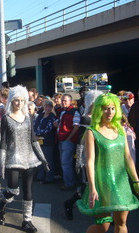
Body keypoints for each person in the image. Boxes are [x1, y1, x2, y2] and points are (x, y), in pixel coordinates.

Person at [77, 93, 139, 233]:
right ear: (99, 110)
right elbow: (90, 161)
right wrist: (92, 187)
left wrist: (136, 180)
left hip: (121, 182)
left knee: (121, 223)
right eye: (105, 108)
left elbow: (128, 157)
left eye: (112, 108)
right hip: (102, 183)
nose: (109, 112)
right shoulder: (92, 132)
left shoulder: (120, 129)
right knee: (103, 225)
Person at [0, 85, 49, 233]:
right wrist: (1, 163)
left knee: (28, 191)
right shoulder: (6, 119)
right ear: (11, 101)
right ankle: (1, 207)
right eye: (16, 100)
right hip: (13, 158)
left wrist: (42, 158)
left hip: (28, 158)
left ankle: (27, 220)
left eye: (21, 100)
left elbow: (33, 140)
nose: (19, 103)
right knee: (12, 190)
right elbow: (3, 142)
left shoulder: (28, 118)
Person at [63, 90, 102, 220]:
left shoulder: (101, 117)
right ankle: (69, 202)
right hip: (87, 156)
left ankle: (106, 214)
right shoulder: (86, 118)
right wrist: (80, 160)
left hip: (100, 155)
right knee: (86, 186)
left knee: (101, 185)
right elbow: (81, 141)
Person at [54, 94, 80, 191]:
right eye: (62, 101)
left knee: (65, 163)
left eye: (65, 101)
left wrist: (69, 138)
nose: (63, 102)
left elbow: (76, 126)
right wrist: (56, 123)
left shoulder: (74, 112)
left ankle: (69, 183)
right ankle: (71, 181)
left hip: (67, 140)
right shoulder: (62, 112)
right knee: (65, 162)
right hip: (61, 139)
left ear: (70, 101)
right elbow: (60, 122)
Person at [34, 99, 56, 184]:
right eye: (46, 106)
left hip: (48, 141)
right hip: (39, 141)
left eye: (50, 107)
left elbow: (48, 129)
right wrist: (35, 133)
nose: (47, 108)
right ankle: (40, 176)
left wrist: (38, 133)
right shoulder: (40, 115)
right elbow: (35, 125)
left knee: (48, 159)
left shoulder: (52, 117)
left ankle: (49, 177)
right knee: (40, 158)